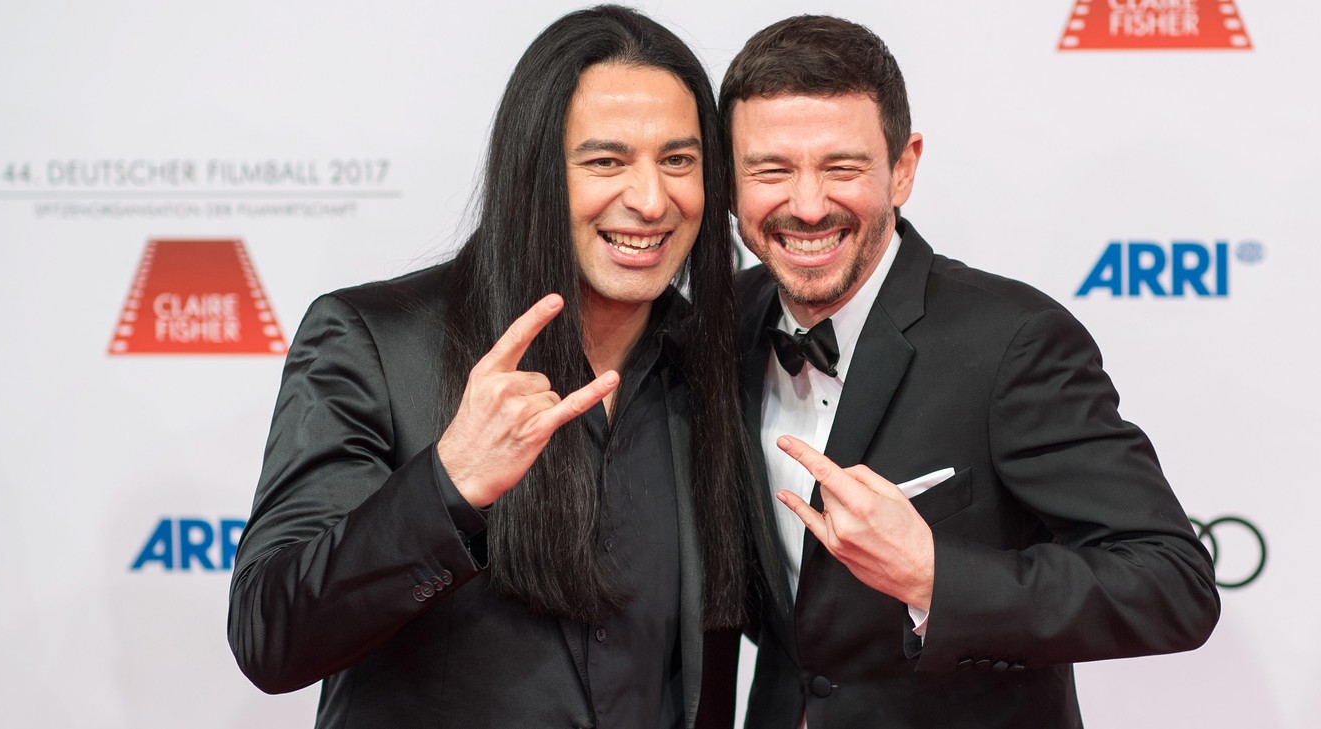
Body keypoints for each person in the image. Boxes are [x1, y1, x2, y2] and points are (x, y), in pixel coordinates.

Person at [227, 6, 755, 728]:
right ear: (534, 171)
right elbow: (270, 635)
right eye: (606, 160)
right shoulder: (374, 343)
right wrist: (447, 485)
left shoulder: (713, 369)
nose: (651, 199)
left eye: (679, 160)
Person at [721, 15, 1221, 728]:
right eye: (772, 169)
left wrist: (934, 574)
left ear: (903, 166)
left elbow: (1171, 584)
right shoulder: (723, 325)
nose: (806, 204)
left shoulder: (1012, 341)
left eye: (842, 166)